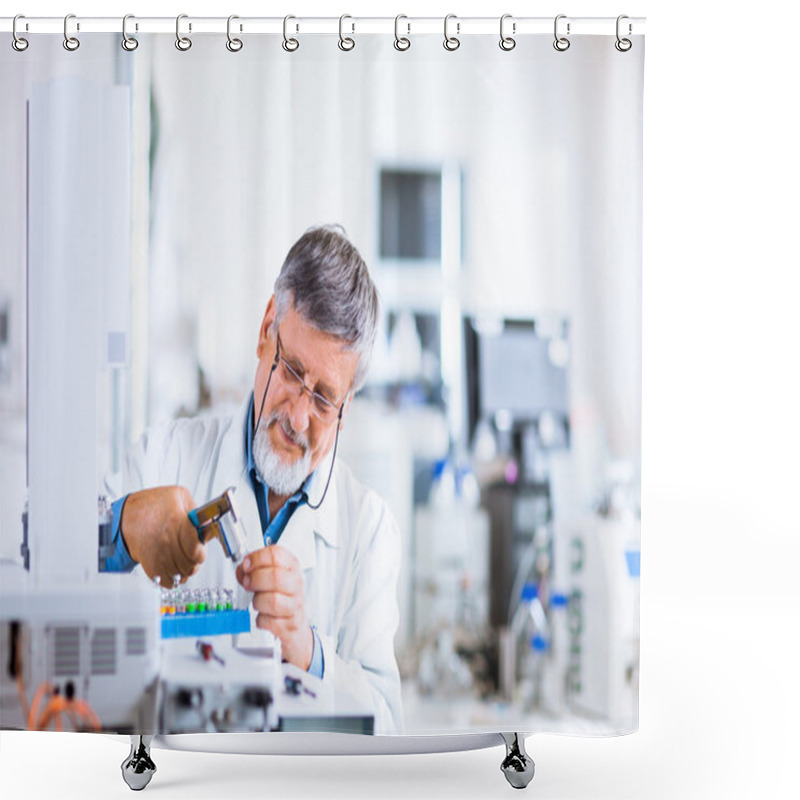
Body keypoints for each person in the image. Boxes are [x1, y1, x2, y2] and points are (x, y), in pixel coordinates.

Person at [104, 224, 402, 734]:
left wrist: (308, 652)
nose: (299, 418)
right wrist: (123, 528)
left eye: (326, 398)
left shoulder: (367, 529)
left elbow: (389, 726)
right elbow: (54, 590)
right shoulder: (164, 456)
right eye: (291, 371)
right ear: (267, 329)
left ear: (348, 404)